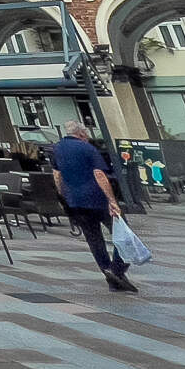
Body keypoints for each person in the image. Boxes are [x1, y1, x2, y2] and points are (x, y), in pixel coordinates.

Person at [53, 121, 136, 292]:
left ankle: (109, 274)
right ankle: (116, 269)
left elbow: (57, 175)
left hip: (75, 201)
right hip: (97, 199)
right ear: (82, 134)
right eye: (87, 135)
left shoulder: (57, 148)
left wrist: (64, 195)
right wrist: (112, 200)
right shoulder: (88, 148)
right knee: (125, 234)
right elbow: (99, 174)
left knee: (94, 239)